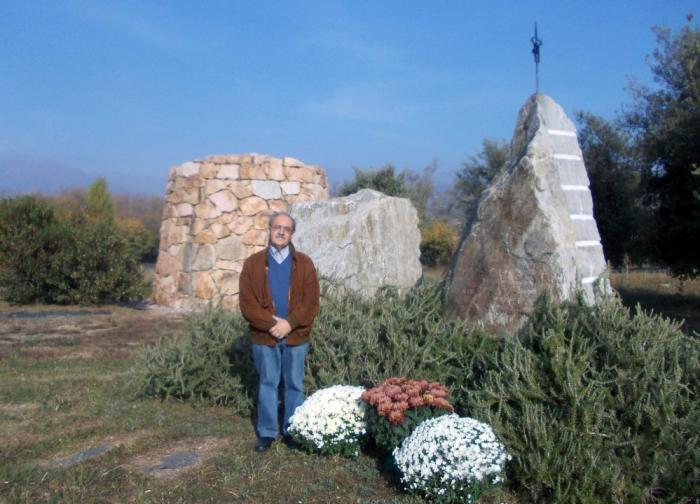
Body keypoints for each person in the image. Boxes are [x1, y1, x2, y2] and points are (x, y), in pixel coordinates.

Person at [238, 211, 320, 452]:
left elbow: (311, 302)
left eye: (287, 228)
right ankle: (266, 433)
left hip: (296, 335)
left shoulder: (304, 263)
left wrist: (290, 322)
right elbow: (247, 303)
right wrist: (271, 324)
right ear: (270, 229)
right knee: (268, 383)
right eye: (277, 227)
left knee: (294, 384)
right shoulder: (252, 264)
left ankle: (292, 431)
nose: (281, 231)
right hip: (264, 337)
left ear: (292, 233)